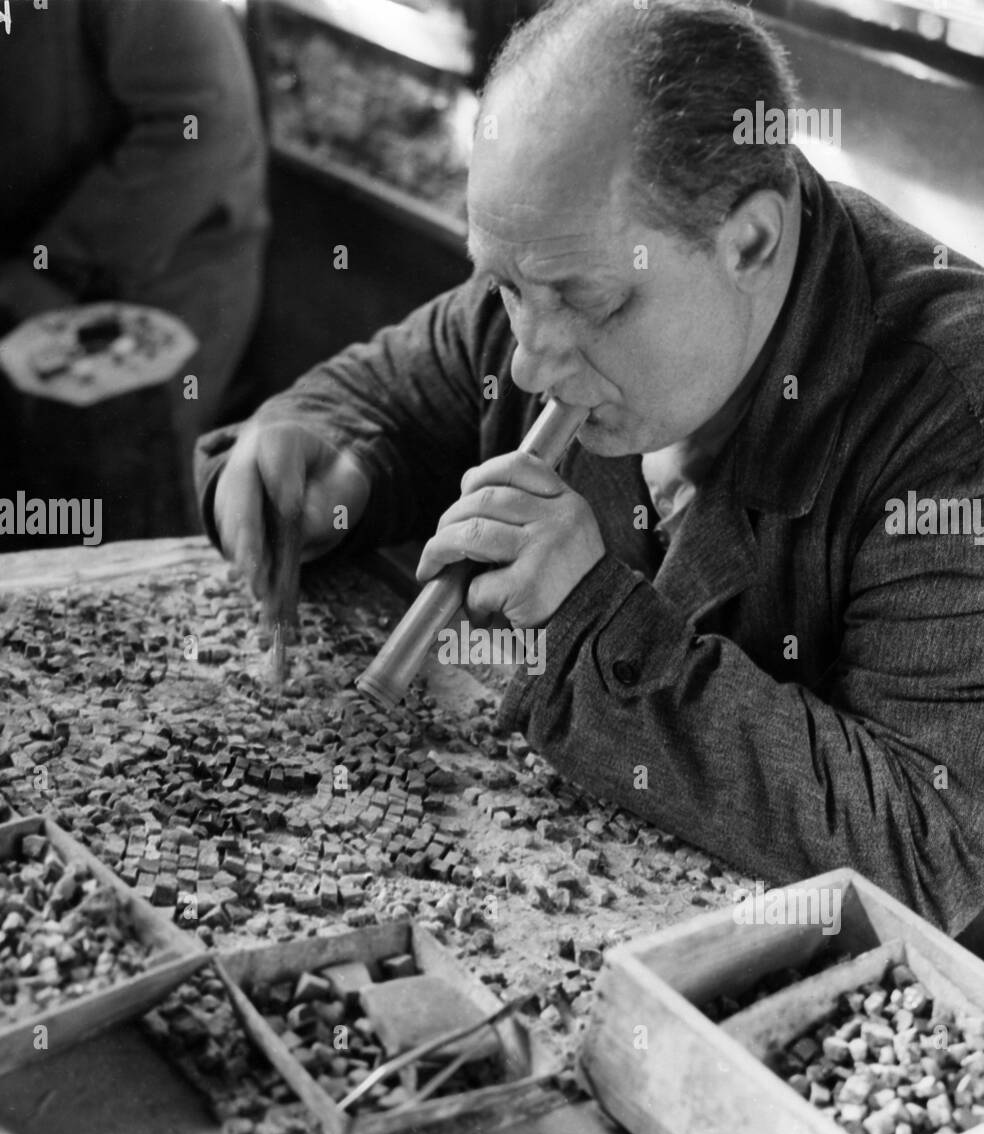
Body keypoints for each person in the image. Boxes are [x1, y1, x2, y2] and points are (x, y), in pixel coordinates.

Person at [196, 0, 984, 934]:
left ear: (751, 243)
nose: (529, 360)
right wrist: (326, 469)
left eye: (593, 305)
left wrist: (590, 623)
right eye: (503, 284)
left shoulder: (950, 415)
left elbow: (936, 846)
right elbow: (375, 399)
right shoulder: (555, 270)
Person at [0, 0, 267, 535]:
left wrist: (58, 265)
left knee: (128, 502)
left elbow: (201, 121)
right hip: (34, 263)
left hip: (163, 267)